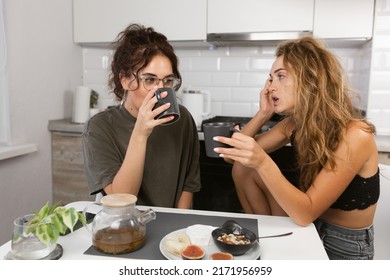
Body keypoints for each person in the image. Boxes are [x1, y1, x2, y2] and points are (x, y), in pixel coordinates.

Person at [214, 36, 379, 260]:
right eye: (271, 79)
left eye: (280, 76)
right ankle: (266, 245)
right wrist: (263, 114)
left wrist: (262, 161)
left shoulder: (356, 135)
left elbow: (305, 213)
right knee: (243, 168)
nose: (271, 87)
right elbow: (232, 157)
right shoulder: (294, 123)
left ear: (310, 78)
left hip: (343, 243)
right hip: (306, 226)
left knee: (255, 165)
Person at [82, 23, 201, 208]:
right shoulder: (99, 127)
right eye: (150, 79)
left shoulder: (182, 119)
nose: (160, 89)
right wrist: (140, 132)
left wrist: (179, 227)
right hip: (124, 225)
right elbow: (120, 200)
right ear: (125, 79)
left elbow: (189, 184)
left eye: (168, 80)